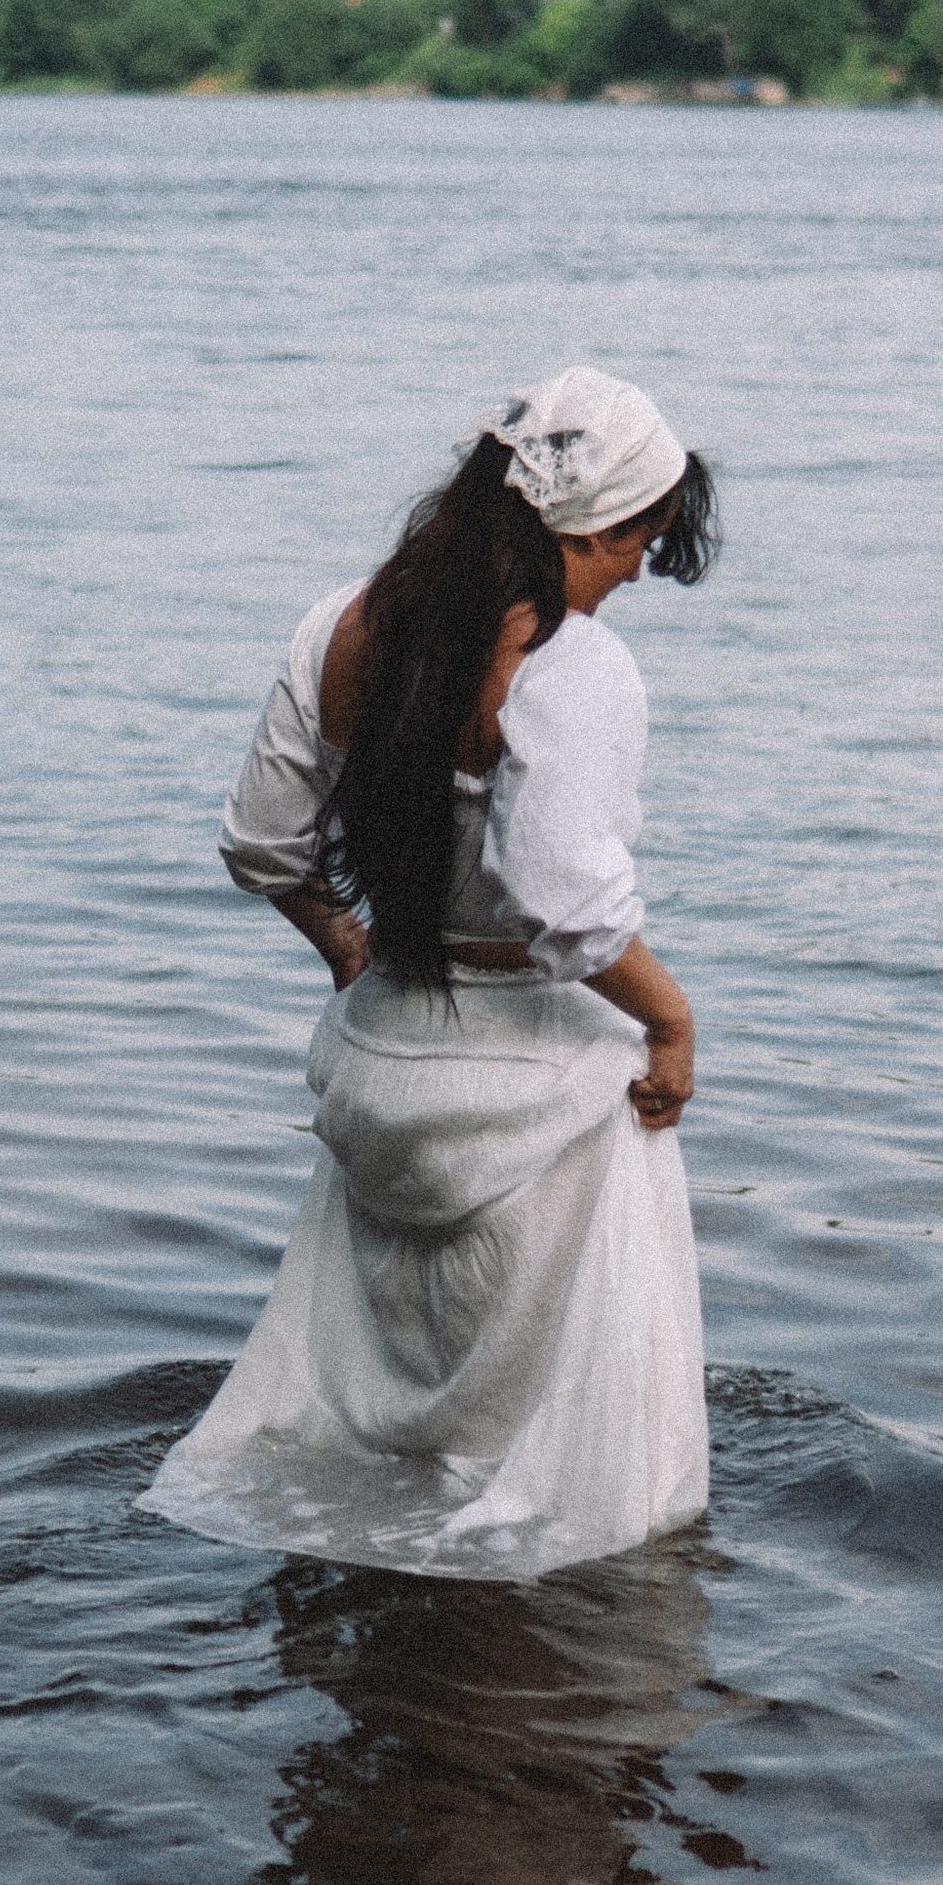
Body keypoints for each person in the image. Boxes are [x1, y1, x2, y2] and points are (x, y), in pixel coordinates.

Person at [142, 368, 716, 1580]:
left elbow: (258, 844)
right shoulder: (577, 666)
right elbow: (564, 902)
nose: (633, 575)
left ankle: (393, 1629)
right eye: (638, 544)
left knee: (400, 1420)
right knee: (577, 1469)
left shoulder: (342, 626)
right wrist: (671, 1024)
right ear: (590, 525)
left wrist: (345, 945)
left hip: (385, 1054)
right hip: (535, 1082)